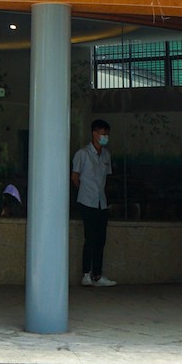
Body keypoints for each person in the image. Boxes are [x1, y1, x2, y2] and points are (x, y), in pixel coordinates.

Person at [71, 119, 116, 287]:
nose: (105, 137)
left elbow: (107, 178)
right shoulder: (82, 154)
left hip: (101, 202)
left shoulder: (106, 155)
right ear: (94, 134)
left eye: (107, 134)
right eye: (102, 134)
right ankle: (86, 274)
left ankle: (98, 274)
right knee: (90, 238)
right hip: (86, 201)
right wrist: (83, 191)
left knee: (100, 239)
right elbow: (75, 176)